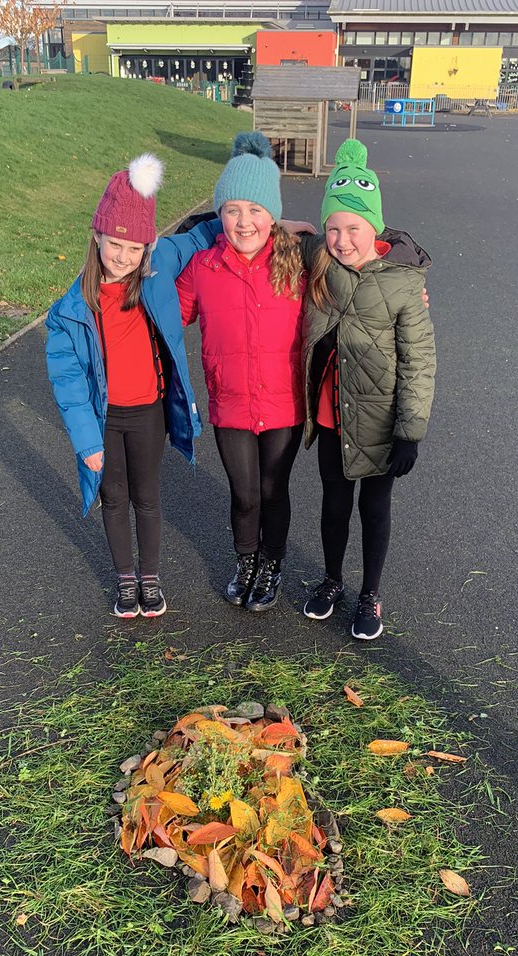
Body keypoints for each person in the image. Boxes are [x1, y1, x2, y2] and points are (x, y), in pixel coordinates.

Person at [44, 155, 221, 619]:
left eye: (134, 247)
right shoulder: (70, 310)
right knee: (114, 497)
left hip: (148, 414)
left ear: (148, 246)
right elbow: (68, 381)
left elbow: (201, 235)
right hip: (105, 420)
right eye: (115, 244)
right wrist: (87, 442)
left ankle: (150, 577)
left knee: (147, 497)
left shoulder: (157, 265)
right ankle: (126, 579)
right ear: (96, 237)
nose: (123, 256)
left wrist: (270, 225)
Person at [300, 138, 436, 641]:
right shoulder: (318, 258)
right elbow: (265, 234)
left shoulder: (403, 282)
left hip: (381, 421)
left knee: (374, 509)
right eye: (333, 228)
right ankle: (332, 579)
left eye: (353, 228)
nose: (342, 240)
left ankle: (370, 593)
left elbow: (419, 360)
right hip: (332, 414)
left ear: (373, 227)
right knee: (334, 504)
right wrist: (294, 225)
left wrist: (411, 431)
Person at [175, 132, 307, 612]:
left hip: (283, 402)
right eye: (232, 210)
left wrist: (405, 290)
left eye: (255, 210)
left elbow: (357, 260)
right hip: (230, 402)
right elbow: (168, 315)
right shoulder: (203, 267)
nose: (244, 221)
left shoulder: (298, 262)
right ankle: (246, 560)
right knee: (245, 492)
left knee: (273, 490)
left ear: (272, 215)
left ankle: (272, 563)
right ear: (219, 215)